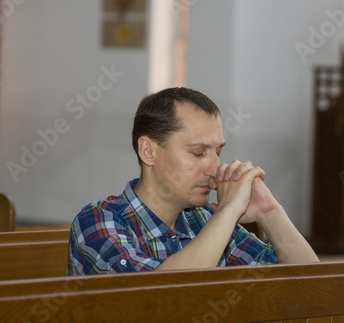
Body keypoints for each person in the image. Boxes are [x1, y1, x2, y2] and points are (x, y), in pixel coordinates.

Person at [67, 87, 318, 275]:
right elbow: (157, 296)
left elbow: (310, 282)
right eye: (198, 153)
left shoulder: (204, 219)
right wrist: (228, 211)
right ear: (148, 152)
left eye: (217, 152)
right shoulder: (98, 220)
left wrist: (270, 212)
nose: (214, 168)